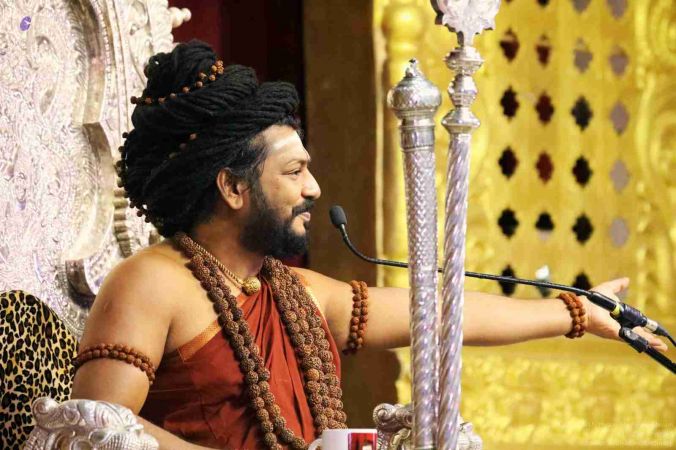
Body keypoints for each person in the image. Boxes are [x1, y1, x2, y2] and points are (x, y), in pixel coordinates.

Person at [70, 40, 667, 450]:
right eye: (294, 172)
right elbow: (95, 429)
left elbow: (435, 316)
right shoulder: (151, 282)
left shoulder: (293, 294)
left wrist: (573, 311)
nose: (314, 188)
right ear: (232, 187)